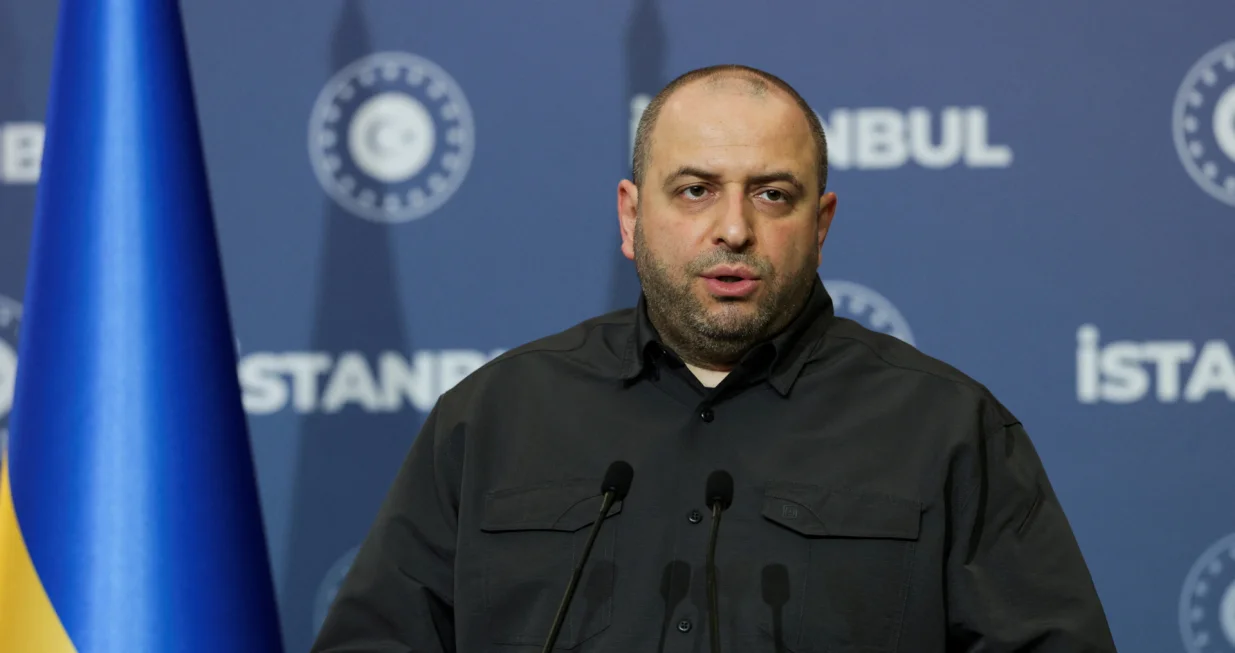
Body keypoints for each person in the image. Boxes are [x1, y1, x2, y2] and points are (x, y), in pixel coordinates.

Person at [310, 64, 1117, 652]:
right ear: (630, 216)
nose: (734, 228)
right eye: (694, 189)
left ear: (822, 222)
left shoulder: (946, 428)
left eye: (772, 194)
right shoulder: (491, 417)